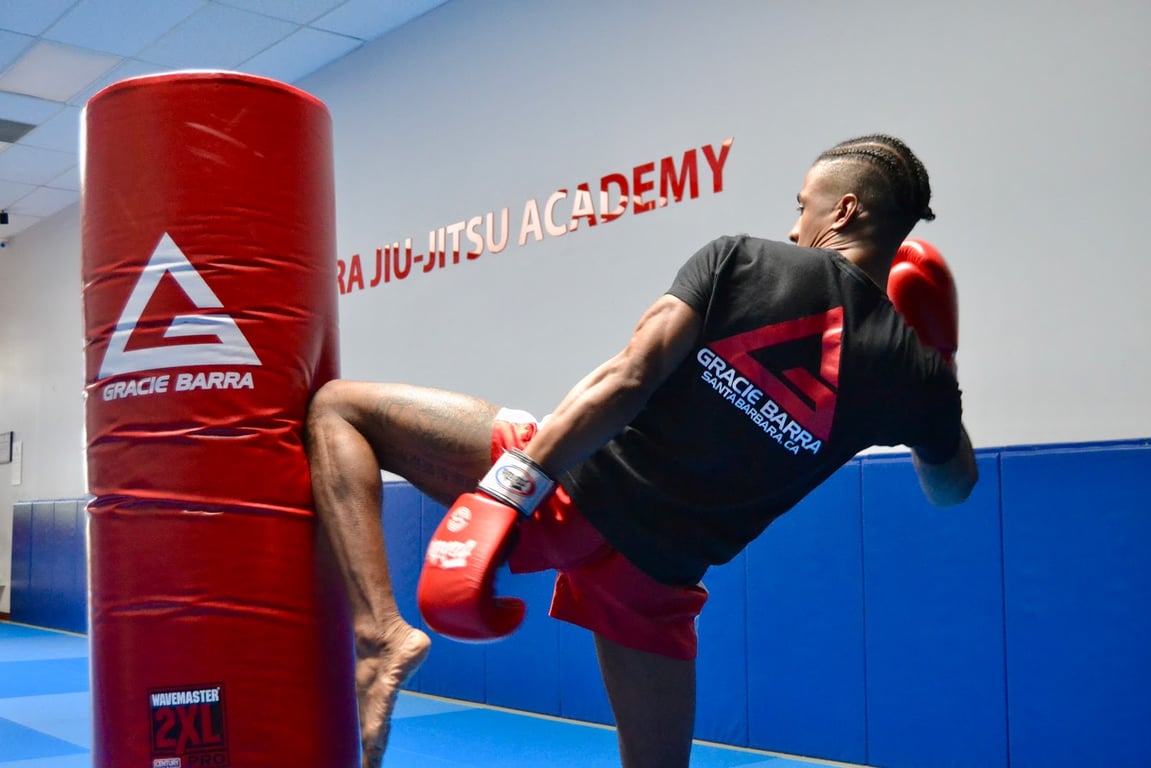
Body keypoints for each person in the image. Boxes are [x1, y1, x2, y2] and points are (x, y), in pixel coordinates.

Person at [305, 133, 978, 768]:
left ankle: (378, 633)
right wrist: (939, 359)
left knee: (338, 407)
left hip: (571, 496)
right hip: (654, 581)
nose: (795, 226)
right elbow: (951, 488)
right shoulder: (913, 374)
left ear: (845, 209)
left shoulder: (746, 259)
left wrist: (509, 487)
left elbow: (629, 376)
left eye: (802, 206)